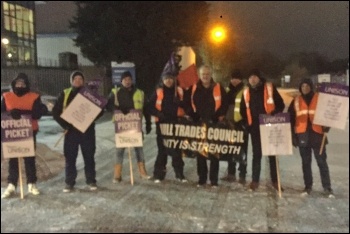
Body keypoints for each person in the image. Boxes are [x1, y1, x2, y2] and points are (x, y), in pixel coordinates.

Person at [52, 70, 103, 192]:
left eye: (80, 79)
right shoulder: (65, 93)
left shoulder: (90, 94)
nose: (78, 81)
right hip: (71, 131)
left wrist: (90, 118)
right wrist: (65, 125)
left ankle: (91, 181)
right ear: (72, 81)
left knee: (89, 157)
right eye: (76, 79)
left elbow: (101, 110)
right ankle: (69, 182)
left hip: (87, 131)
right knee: (70, 158)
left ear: (83, 81)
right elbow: (55, 112)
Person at [1, 73, 47, 198]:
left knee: (29, 159)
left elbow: (39, 112)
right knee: (13, 159)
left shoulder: (34, 96)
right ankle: (12, 184)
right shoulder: (6, 96)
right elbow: (2, 113)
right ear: (14, 84)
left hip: (29, 132)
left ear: (26, 85)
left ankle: (31, 183)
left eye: (23, 83)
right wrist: (11, 113)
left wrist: (24, 112)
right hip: (12, 133)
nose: (20, 85)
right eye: (18, 83)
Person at [288, 78, 334, 198]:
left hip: (318, 135)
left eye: (307, 86)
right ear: (300, 88)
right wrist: (292, 135)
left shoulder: (319, 99)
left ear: (311, 87)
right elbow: (290, 119)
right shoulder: (296, 101)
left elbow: (329, 113)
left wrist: (327, 126)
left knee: (321, 162)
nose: (305, 88)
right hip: (302, 135)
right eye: (303, 86)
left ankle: (327, 187)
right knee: (306, 163)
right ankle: (308, 186)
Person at [241, 69, 285, 191]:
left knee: (272, 155)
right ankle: (255, 180)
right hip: (255, 128)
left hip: (269, 126)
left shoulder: (269, 88)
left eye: (254, 76)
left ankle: (275, 181)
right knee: (257, 154)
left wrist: (275, 113)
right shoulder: (246, 92)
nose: (252, 79)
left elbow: (280, 104)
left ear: (259, 78)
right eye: (250, 77)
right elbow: (243, 110)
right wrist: (247, 124)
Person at [185, 65, 228, 188]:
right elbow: (186, 103)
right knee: (200, 153)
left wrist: (219, 115)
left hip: (214, 124)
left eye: (207, 74)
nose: (205, 76)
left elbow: (224, 104)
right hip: (199, 124)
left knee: (214, 152)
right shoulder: (193, 88)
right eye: (203, 74)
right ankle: (202, 179)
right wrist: (193, 115)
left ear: (211, 75)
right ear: (199, 75)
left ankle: (214, 180)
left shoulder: (219, 88)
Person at [106, 71, 151, 182]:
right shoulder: (115, 92)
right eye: (125, 79)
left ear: (132, 80)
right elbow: (108, 105)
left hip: (136, 125)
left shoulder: (140, 93)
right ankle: (117, 174)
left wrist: (148, 123)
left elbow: (146, 108)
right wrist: (118, 110)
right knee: (120, 150)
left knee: (139, 149)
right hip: (121, 126)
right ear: (121, 81)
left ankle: (142, 171)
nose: (127, 81)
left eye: (129, 79)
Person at [148, 72, 188, 183]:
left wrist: (181, 103)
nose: (168, 81)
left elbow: (188, 105)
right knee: (162, 150)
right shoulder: (158, 92)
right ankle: (159, 174)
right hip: (162, 125)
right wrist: (158, 113)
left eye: (170, 78)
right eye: (166, 79)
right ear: (163, 80)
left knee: (177, 149)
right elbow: (149, 107)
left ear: (174, 79)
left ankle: (179, 174)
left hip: (177, 124)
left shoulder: (180, 91)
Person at [221, 69, 248, 185]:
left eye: (237, 78)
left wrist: (245, 122)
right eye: (233, 78)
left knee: (242, 150)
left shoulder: (245, 91)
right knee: (230, 148)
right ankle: (231, 173)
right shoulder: (226, 90)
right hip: (229, 124)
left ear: (241, 80)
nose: (235, 80)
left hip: (241, 124)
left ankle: (242, 174)